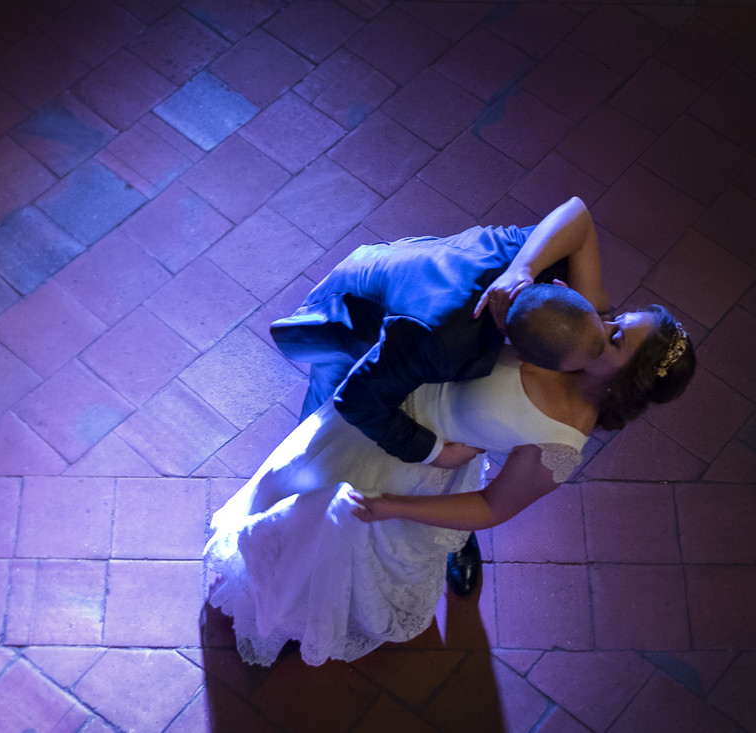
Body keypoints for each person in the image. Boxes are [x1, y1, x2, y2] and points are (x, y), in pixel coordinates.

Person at [203, 225, 696, 667]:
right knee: (294, 485)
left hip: (417, 472)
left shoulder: (561, 440)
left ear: (621, 383)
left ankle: (303, 613)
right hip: (390, 412)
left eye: (615, 339)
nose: (603, 321)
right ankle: (274, 586)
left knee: (336, 540)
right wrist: (521, 270)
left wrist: (395, 505)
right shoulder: (583, 321)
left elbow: (491, 505)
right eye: (619, 318)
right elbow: (578, 216)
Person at [269, 197, 609, 596]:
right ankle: (290, 543)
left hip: (427, 316)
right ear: (523, 357)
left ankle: (454, 535)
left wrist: (522, 268)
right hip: (360, 316)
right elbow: (357, 400)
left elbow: (577, 213)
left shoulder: (540, 266)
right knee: (323, 438)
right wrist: (434, 452)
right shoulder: (440, 343)